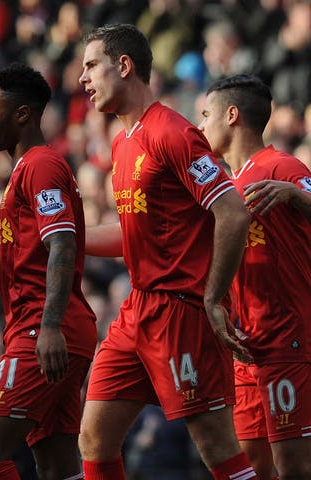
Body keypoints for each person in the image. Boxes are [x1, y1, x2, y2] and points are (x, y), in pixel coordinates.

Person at [77, 24, 256, 480]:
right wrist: (62, 238)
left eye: (92, 65)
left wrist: (214, 298)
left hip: (182, 311)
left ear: (124, 65)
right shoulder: (122, 142)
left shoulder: (172, 132)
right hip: (138, 309)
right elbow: (132, 232)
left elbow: (233, 212)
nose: (83, 79)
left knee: (217, 446)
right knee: (94, 438)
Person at [0, 62, 97, 480]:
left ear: (22, 115)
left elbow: (63, 244)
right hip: (45, 328)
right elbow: (4, 258)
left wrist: (50, 326)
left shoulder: (41, 166)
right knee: (55, 466)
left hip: (45, 329)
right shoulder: (23, 171)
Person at [198, 74, 311, 479]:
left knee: (294, 466)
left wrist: (297, 195)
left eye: (206, 114)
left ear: (232, 115)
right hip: (245, 346)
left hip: (287, 340)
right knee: (252, 464)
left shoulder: (283, 166)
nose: (200, 126)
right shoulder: (224, 186)